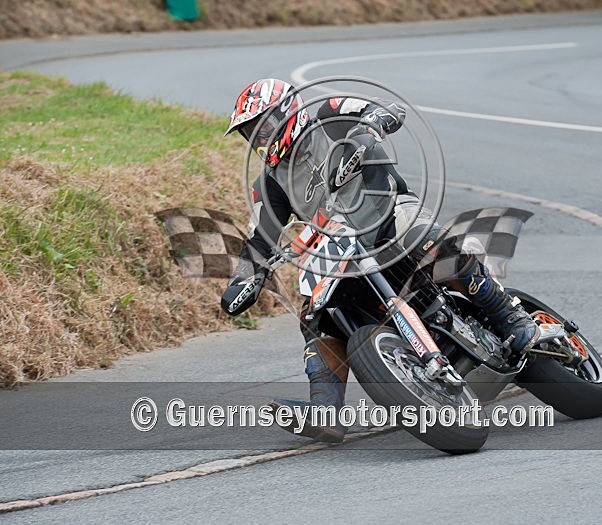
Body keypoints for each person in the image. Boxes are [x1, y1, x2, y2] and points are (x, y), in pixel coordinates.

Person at [220, 78, 538, 443]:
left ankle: (508, 315)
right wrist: (245, 277)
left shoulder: (330, 113)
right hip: (338, 245)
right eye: (251, 134)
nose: (260, 140)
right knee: (314, 313)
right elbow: (260, 236)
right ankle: (325, 409)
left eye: (263, 128)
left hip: (387, 214)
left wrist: (367, 129)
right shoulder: (269, 183)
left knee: (428, 242)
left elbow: (388, 109)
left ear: (286, 111)